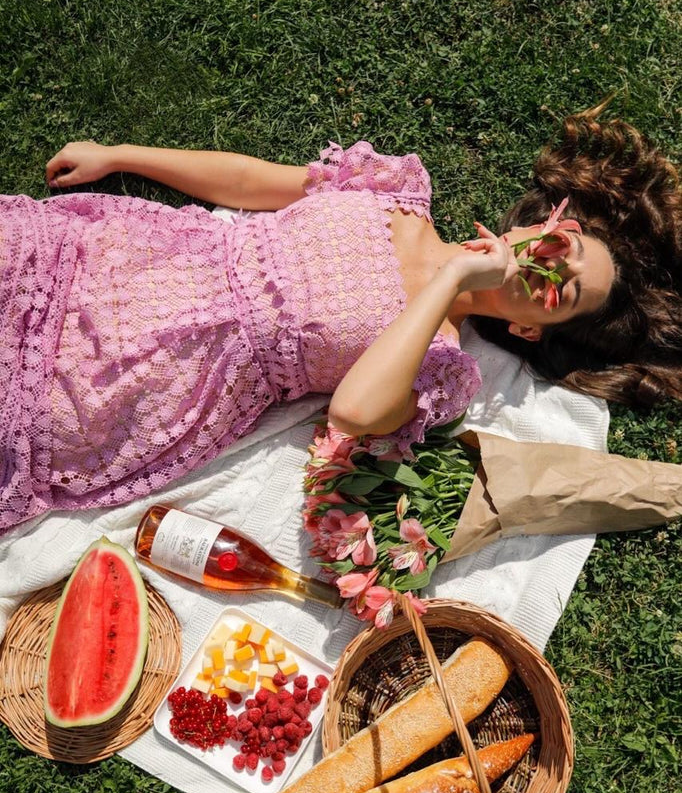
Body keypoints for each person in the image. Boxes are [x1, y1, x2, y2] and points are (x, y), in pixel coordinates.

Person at [1, 105, 680, 534]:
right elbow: (250, 184)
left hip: (166, 372)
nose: (547, 269)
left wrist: (451, 282)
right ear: (545, 226)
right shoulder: (396, 192)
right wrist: (119, 154)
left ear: (531, 330)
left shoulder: (440, 366)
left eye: (562, 293)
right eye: (562, 249)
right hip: (139, 258)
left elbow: (353, 414)